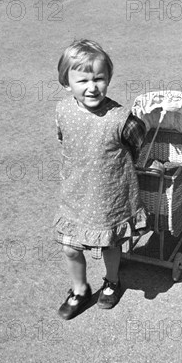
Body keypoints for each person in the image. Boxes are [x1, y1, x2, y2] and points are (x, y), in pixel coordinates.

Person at [54, 39, 148, 320]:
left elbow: (138, 144)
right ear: (66, 83)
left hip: (110, 196)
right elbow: (64, 139)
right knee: (70, 248)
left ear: (108, 79)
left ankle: (112, 280)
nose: (92, 87)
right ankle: (80, 289)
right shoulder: (62, 110)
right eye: (82, 80)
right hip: (75, 195)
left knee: (110, 244)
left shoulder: (121, 119)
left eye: (99, 78)